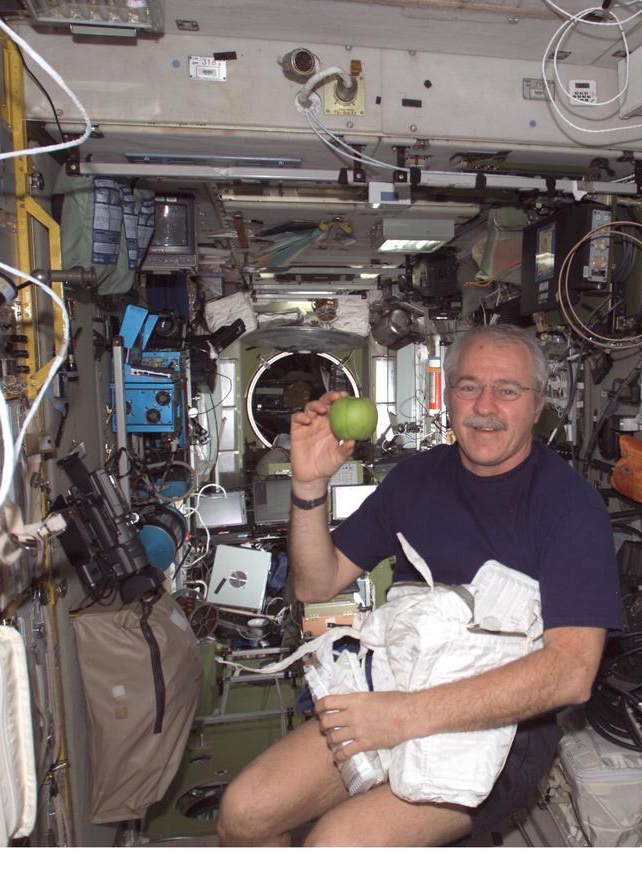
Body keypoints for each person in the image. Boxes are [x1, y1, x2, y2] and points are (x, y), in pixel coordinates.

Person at [217, 324, 621, 846]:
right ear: (447, 395)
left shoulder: (570, 508)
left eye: (508, 390)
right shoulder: (414, 479)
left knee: (334, 846)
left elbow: (570, 674)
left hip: (500, 723)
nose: (485, 406)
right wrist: (309, 484)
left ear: (538, 403)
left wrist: (405, 718)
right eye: (469, 386)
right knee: (243, 814)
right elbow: (316, 583)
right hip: (395, 680)